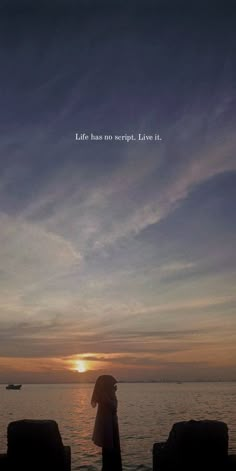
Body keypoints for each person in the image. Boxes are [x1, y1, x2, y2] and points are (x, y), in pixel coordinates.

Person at [91, 375, 122, 471]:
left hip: (111, 424)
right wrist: (113, 393)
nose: (114, 386)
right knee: (109, 449)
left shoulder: (106, 394)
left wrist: (113, 393)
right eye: (112, 385)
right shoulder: (104, 395)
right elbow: (113, 406)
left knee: (111, 448)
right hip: (107, 426)